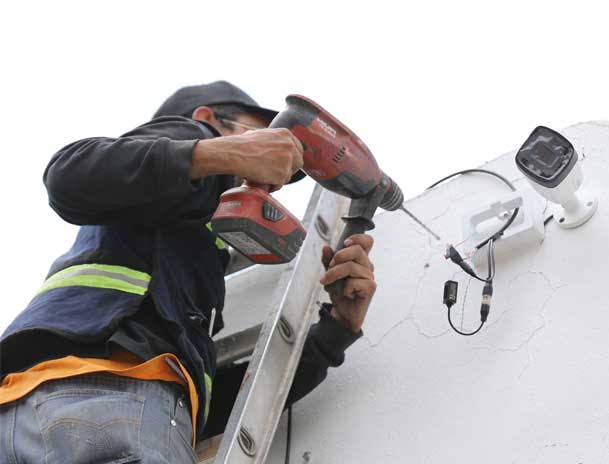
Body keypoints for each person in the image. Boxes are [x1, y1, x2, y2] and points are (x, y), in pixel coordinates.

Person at [0, 81, 378, 463]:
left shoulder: (184, 253)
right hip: (109, 395)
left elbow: (206, 409)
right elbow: (68, 174)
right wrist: (216, 152)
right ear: (206, 117)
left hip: (27, 402)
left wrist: (335, 332)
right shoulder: (187, 144)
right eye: (256, 134)